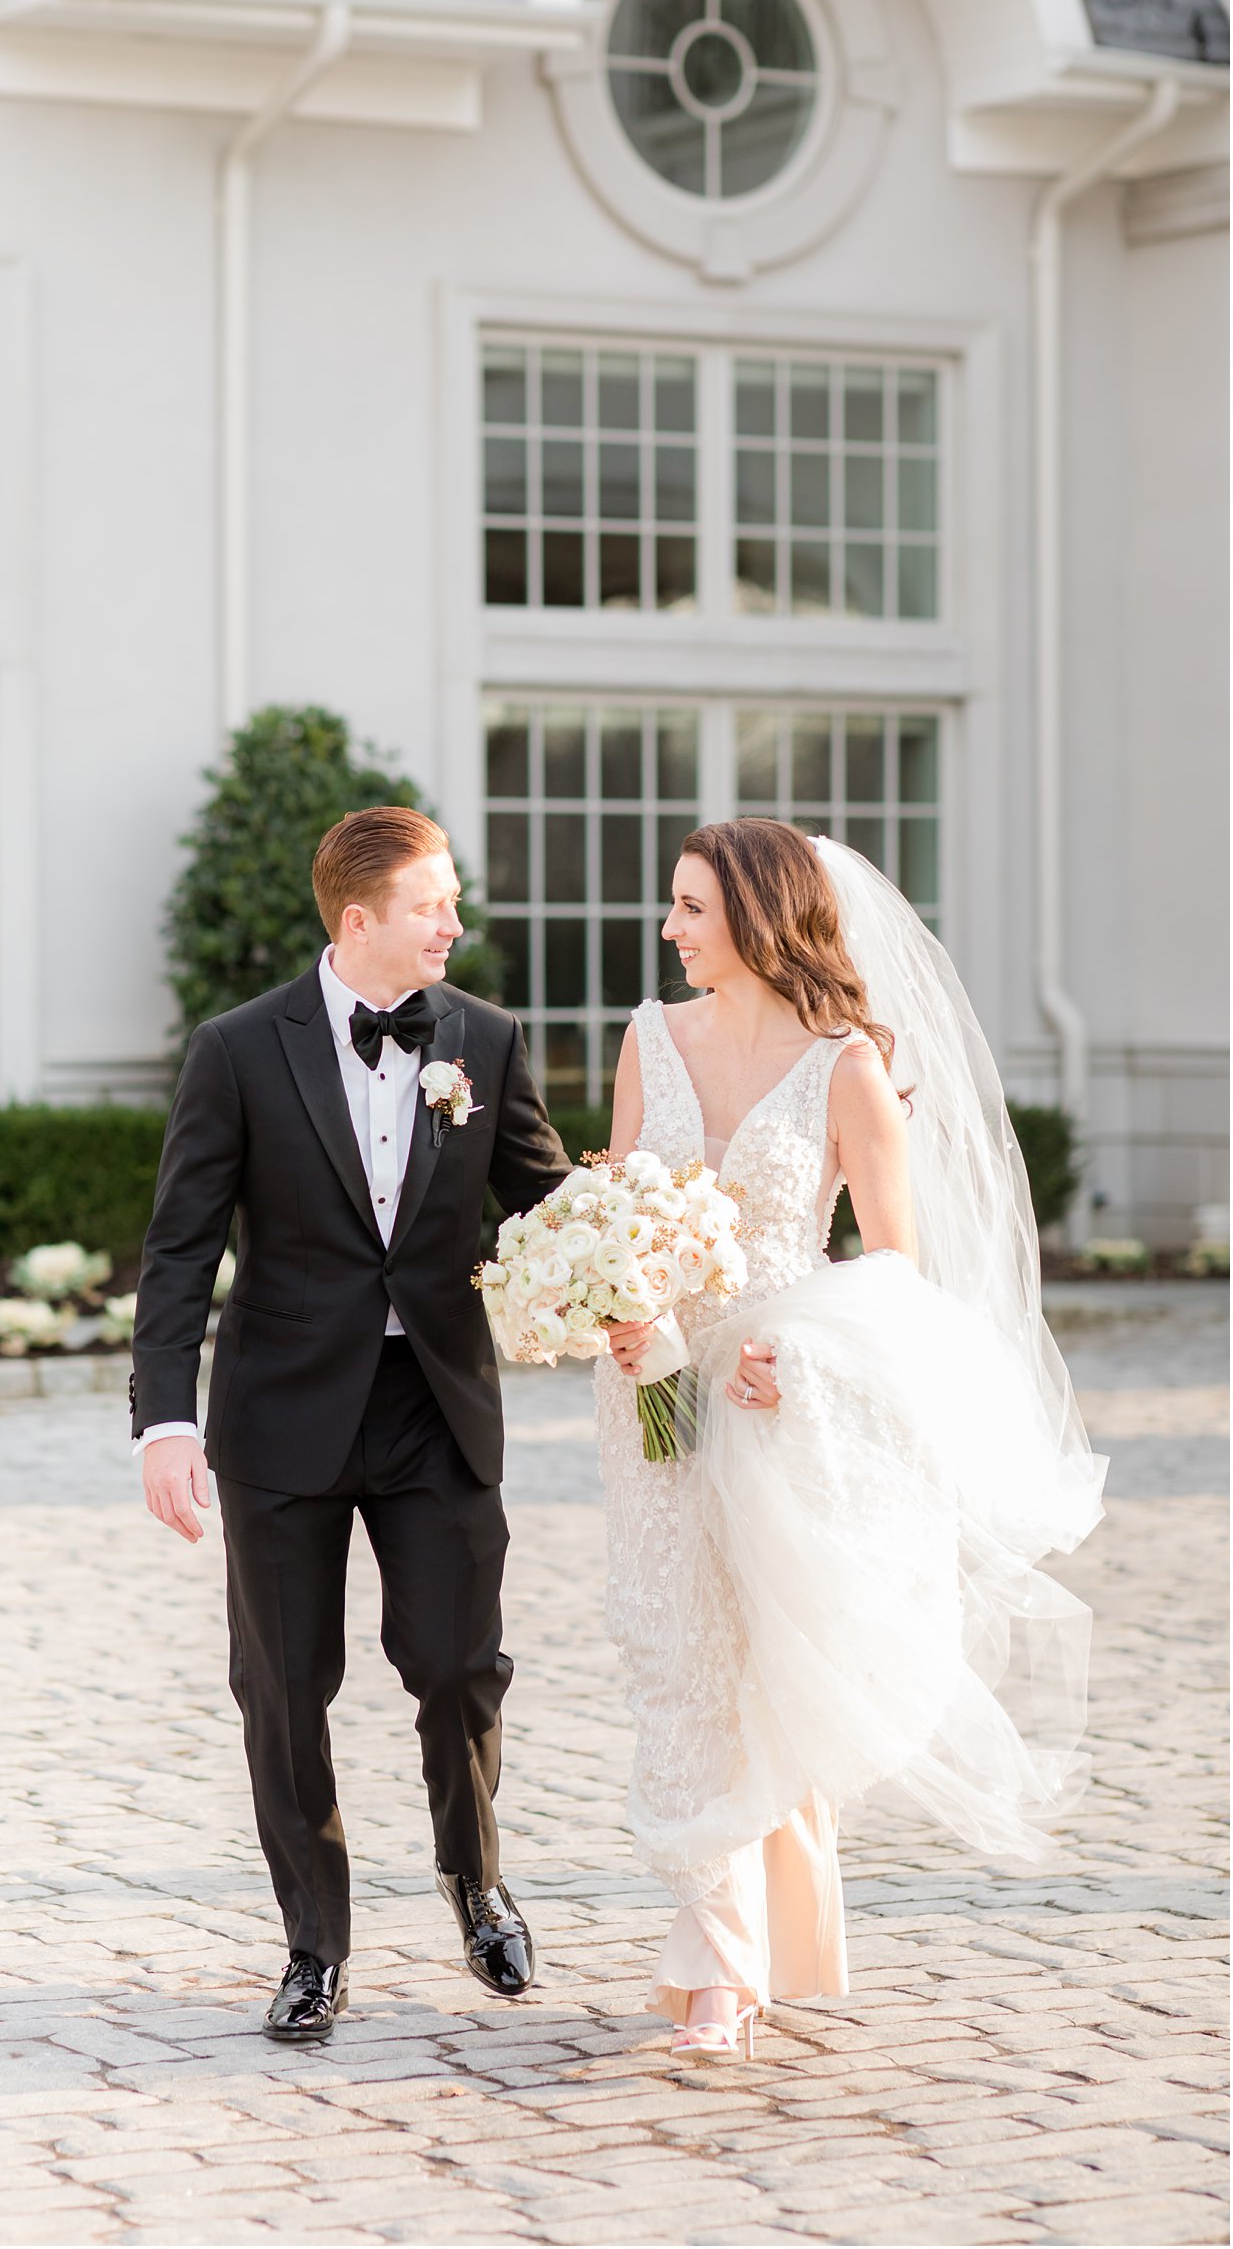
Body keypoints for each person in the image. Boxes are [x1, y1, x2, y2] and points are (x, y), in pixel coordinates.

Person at [599, 819, 1104, 2062]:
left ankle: (774, 1941)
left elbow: (894, 1265)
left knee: (770, 1660)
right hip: (650, 1385)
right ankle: (716, 1966)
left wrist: (801, 1357)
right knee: (675, 1650)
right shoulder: (646, 1038)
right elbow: (614, 1202)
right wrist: (617, 1306)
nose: (669, 930)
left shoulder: (843, 1070)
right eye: (671, 907)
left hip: (784, 1398)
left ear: (760, 919)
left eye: (690, 910)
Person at [131, 806, 568, 2043]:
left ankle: (472, 1877)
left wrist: (641, 1257)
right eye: (434, 903)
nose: (455, 923)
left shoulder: (480, 1036)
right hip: (279, 1418)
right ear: (359, 916)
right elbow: (177, 1251)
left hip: (433, 1406)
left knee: (455, 1664)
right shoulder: (236, 1050)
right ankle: (313, 1946)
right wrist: (163, 1422)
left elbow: (547, 1205)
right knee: (283, 1686)